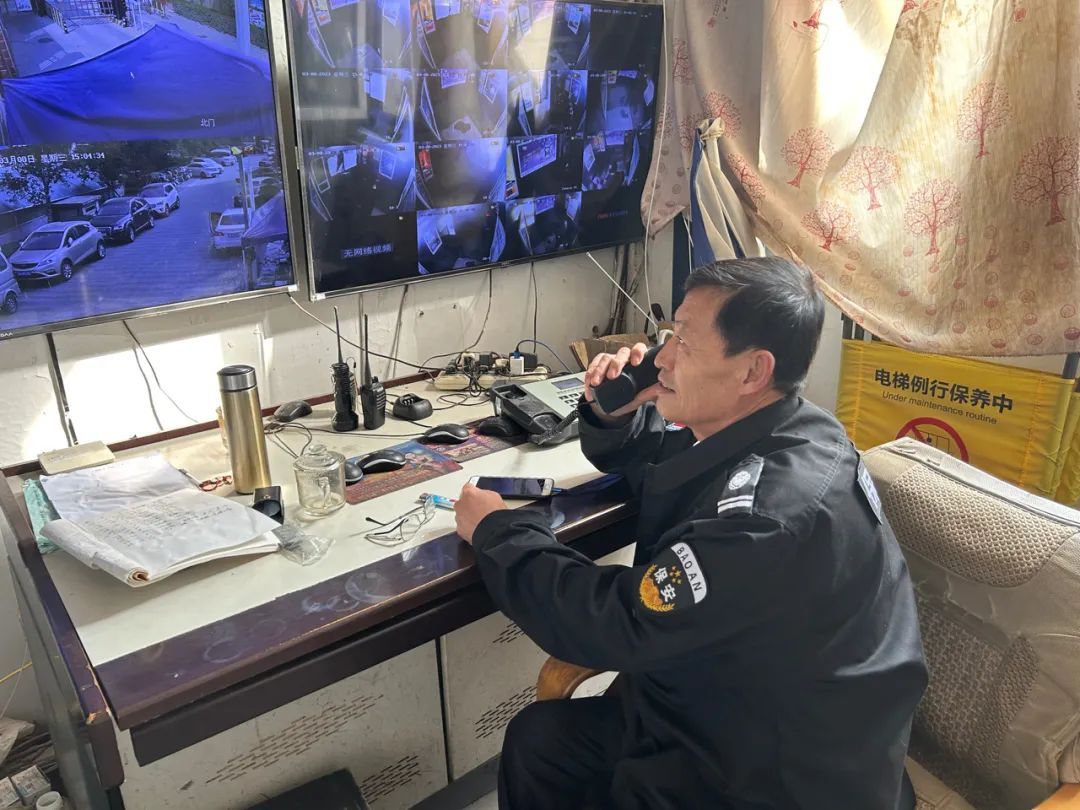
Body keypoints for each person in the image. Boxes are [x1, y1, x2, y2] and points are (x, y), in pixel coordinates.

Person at [453, 257, 928, 810]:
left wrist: (499, 531)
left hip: (776, 774)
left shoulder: (768, 520)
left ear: (752, 372)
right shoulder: (793, 427)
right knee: (541, 743)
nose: (663, 358)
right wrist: (614, 414)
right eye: (668, 336)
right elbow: (677, 462)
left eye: (684, 342)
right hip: (738, 700)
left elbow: (616, 623)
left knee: (555, 750)